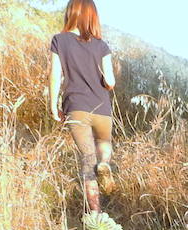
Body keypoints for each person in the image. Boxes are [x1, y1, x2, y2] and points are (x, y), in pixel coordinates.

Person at [48, 0, 117, 213]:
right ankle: (105, 163)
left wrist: (53, 105)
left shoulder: (59, 41)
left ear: (70, 13)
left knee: (88, 161)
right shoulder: (101, 45)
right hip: (102, 108)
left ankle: (96, 213)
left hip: (76, 107)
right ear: (93, 16)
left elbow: (55, 75)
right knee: (104, 143)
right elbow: (110, 81)